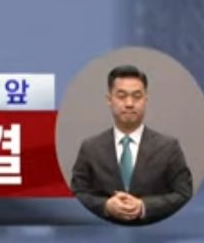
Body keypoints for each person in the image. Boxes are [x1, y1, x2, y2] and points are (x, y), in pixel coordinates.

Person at [70, 65, 194, 225]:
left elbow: (184, 194)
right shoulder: (90, 148)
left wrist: (144, 206)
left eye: (137, 96)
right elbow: (77, 194)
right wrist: (106, 206)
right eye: (121, 96)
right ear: (109, 99)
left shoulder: (169, 147)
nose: (129, 103)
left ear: (146, 99)